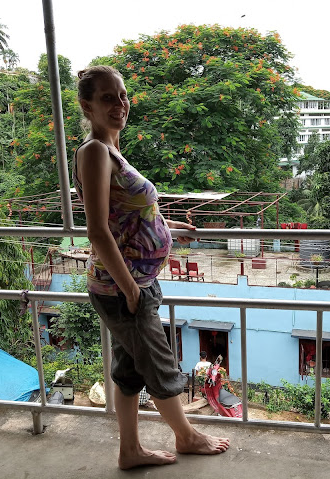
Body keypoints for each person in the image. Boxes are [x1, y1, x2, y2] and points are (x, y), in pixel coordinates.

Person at [73, 65, 230, 470]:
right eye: (108, 97)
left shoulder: (113, 151)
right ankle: (187, 436)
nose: (120, 103)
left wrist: (170, 227)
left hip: (135, 285)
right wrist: (130, 291)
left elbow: (127, 216)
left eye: (122, 95)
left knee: (129, 372)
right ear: (86, 106)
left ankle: (130, 451)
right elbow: (96, 231)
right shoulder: (94, 152)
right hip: (121, 289)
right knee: (160, 366)